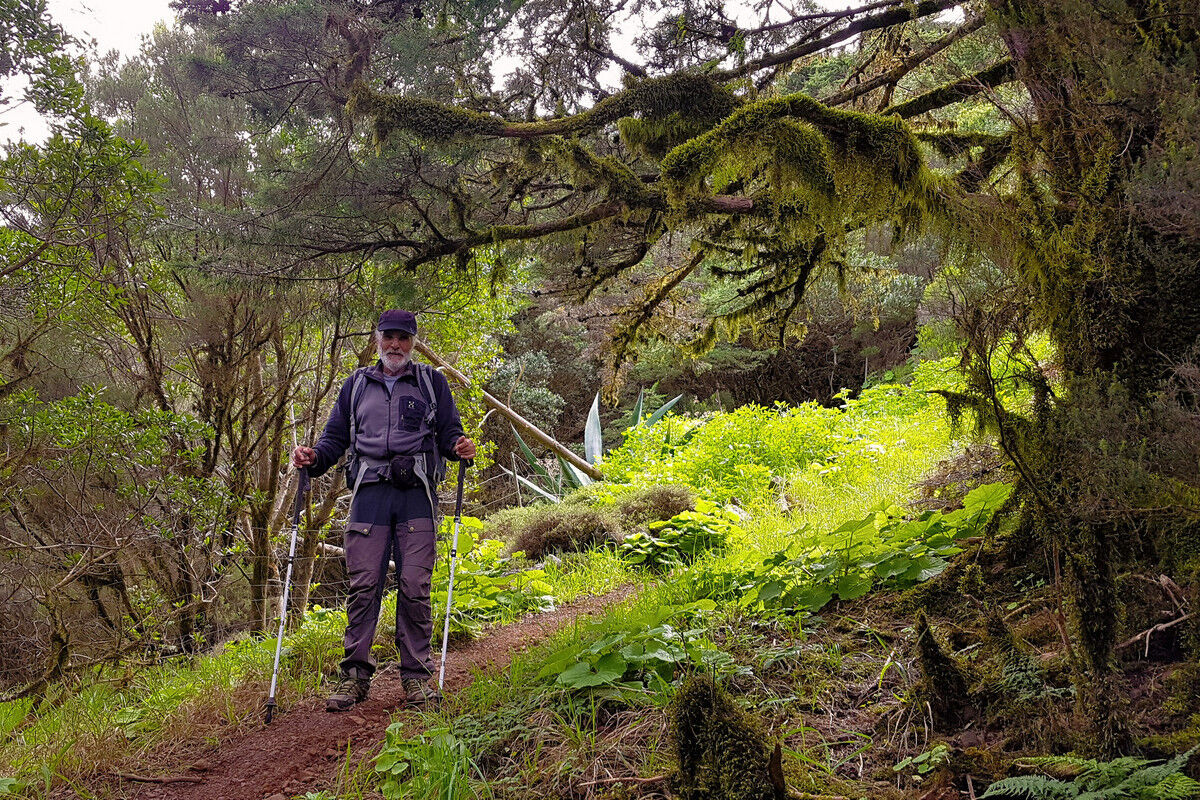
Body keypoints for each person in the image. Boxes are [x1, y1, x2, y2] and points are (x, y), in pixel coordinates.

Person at [292, 309, 476, 712]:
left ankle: (416, 678)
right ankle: (354, 677)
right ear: (377, 339)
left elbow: (448, 433)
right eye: (389, 337)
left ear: (413, 342)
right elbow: (333, 440)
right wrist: (312, 458)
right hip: (369, 496)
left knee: (414, 586)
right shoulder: (355, 386)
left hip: (417, 497)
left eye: (404, 338)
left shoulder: (432, 382)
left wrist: (459, 445)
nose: (396, 345)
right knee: (363, 587)